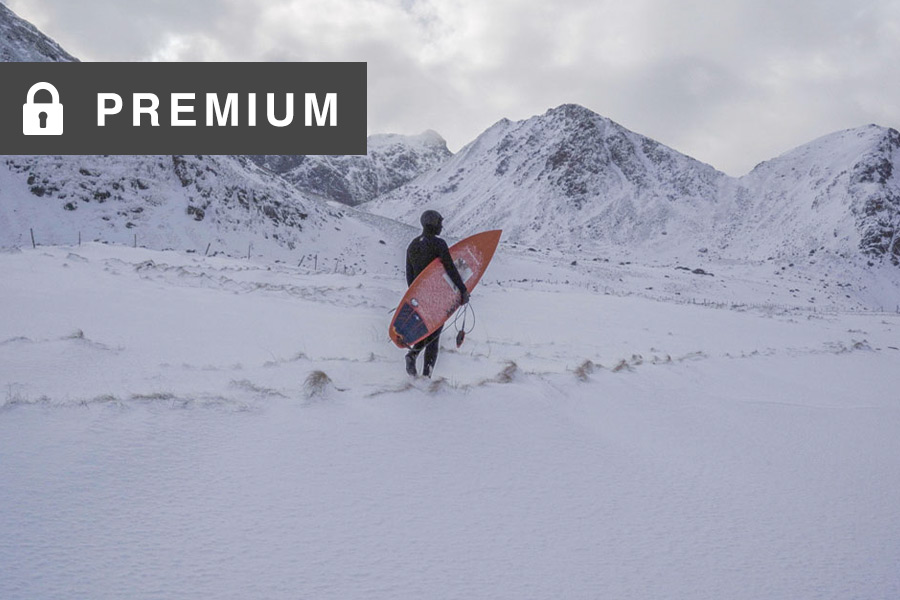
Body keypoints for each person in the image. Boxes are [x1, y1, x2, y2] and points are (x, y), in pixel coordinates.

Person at [405, 210, 469, 378]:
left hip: (420, 297)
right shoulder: (438, 244)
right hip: (437, 297)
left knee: (428, 330)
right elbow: (450, 268)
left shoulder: (412, 245)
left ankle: (413, 355)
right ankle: (426, 375)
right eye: (440, 223)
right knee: (434, 335)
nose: (441, 226)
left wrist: (416, 297)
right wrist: (462, 290)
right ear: (433, 224)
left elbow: (410, 277)